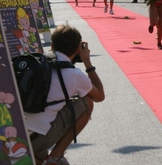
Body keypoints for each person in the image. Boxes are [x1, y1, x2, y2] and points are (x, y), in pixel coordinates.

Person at [26, 24, 105, 165]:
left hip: (16, 136)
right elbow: (99, 96)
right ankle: (56, 156)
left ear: (51, 45)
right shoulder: (74, 75)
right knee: (87, 102)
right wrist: (87, 63)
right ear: (77, 49)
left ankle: (38, 157)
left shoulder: (37, 63)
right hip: (39, 138)